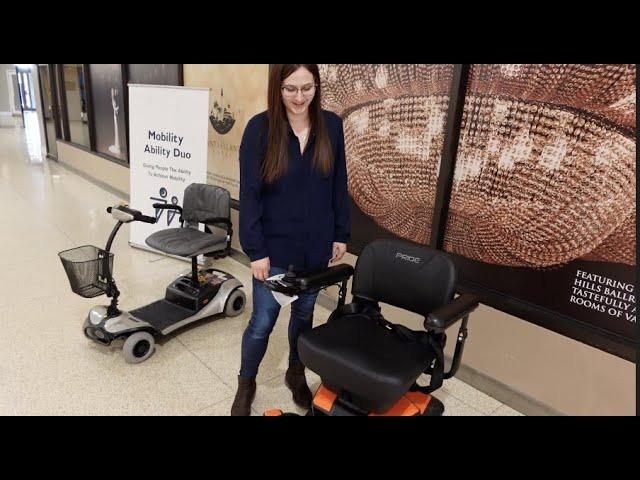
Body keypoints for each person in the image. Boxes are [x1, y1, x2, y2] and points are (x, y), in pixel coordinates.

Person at [231, 64, 350, 416]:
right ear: (277, 88)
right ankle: (246, 382)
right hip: (274, 248)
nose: (300, 98)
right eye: (290, 89)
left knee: (304, 314)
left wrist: (341, 233)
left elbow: (338, 184)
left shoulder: (331, 125)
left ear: (317, 86)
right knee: (263, 321)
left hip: (315, 246)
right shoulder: (259, 130)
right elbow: (250, 195)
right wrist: (256, 251)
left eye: (307, 88)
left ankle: (296, 372)